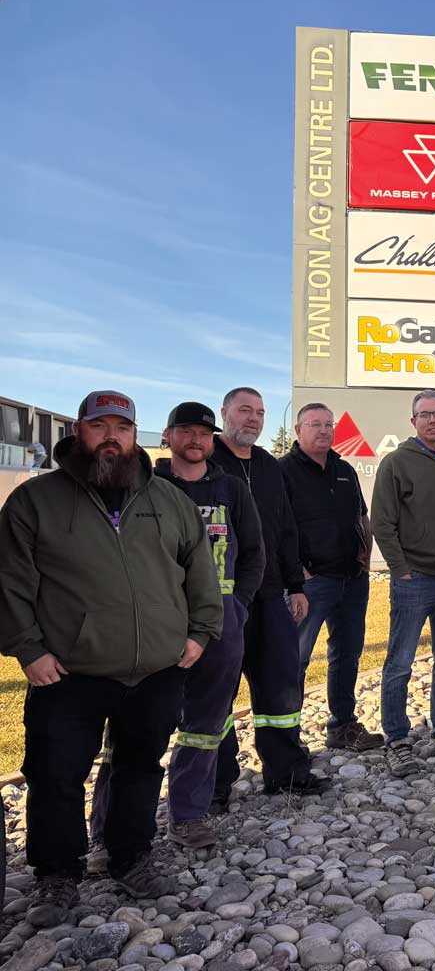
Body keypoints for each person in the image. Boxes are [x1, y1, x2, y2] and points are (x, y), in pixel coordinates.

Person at [0, 391, 222, 919]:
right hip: (68, 673)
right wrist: (28, 650)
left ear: (135, 435)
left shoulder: (168, 501)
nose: (112, 437)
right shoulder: (37, 501)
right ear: (79, 431)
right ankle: (57, 874)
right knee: (55, 775)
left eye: (122, 427)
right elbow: (10, 581)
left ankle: (130, 859)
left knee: (140, 768)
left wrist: (199, 632)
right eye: (100, 426)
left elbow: (201, 570)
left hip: (157, 669)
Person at [92, 401, 264, 851]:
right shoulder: (144, 486)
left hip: (221, 623)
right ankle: (108, 829)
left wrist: (237, 606)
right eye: (185, 431)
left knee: (205, 725)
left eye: (204, 434)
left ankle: (187, 815)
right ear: (166, 436)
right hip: (156, 622)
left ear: (213, 440)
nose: (195, 440)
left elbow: (254, 554)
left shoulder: (230, 489)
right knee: (129, 729)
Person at [210, 387, 323, 798]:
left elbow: (286, 529)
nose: (253, 419)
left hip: (271, 594)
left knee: (280, 687)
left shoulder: (269, 467)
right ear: (224, 412)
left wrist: (296, 585)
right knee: (216, 692)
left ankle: (286, 773)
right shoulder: (207, 463)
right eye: (244, 410)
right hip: (220, 599)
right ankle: (216, 784)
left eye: (259, 412)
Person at [372, 390, 435, 776]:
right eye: (424, 414)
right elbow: (382, 521)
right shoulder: (396, 463)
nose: (432, 420)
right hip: (416, 578)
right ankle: (396, 739)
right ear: (412, 421)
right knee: (400, 662)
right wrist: (401, 569)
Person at [281, 403, 383, 752]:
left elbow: (361, 517)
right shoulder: (283, 471)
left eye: (328, 424)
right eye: (314, 424)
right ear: (298, 430)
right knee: (295, 659)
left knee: (347, 654)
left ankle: (342, 726)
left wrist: (366, 558)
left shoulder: (344, 469)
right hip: (311, 583)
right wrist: (297, 572)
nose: (323, 430)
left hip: (352, 579)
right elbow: (276, 527)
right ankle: (286, 737)